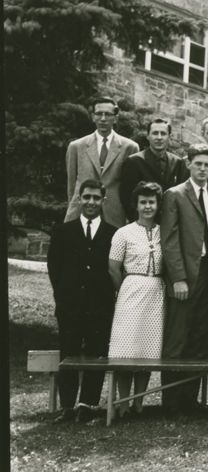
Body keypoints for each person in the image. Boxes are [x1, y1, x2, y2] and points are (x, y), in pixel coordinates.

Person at [47, 179, 116, 423]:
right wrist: (63, 298)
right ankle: (67, 405)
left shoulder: (113, 233)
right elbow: (54, 268)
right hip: (70, 306)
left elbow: (113, 271)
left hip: (100, 307)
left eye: (96, 198)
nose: (91, 202)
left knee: (97, 353)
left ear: (103, 200)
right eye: (86, 197)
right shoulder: (64, 231)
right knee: (69, 352)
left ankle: (87, 404)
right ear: (79, 198)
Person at [161, 143, 208, 416]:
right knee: (178, 337)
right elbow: (169, 240)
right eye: (198, 164)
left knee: (200, 337)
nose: (203, 169)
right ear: (189, 164)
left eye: (207, 165)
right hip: (185, 275)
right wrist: (178, 278)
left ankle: (190, 398)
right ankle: (171, 401)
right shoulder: (175, 195)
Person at [107, 181, 165, 419]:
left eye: (151, 202)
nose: (147, 206)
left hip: (156, 291)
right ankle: (122, 403)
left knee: (148, 349)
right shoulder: (124, 232)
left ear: (157, 205)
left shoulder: (164, 231)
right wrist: (123, 290)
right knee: (126, 347)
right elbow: (113, 267)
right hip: (131, 290)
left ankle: (139, 402)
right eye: (143, 202)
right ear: (136, 205)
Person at [65, 97, 140, 227]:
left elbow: (130, 187)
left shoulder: (130, 147)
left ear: (115, 118)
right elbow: (71, 184)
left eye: (108, 114)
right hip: (81, 212)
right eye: (99, 114)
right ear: (93, 117)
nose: (103, 119)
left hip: (114, 214)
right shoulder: (76, 146)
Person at [120, 117, 187, 222]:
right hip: (143, 223)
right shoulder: (134, 162)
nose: (159, 137)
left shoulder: (178, 162)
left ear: (169, 137)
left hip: (170, 225)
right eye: (155, 133)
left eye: (163, 134)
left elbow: (182, 197)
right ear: (148, 136)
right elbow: (127, 199)